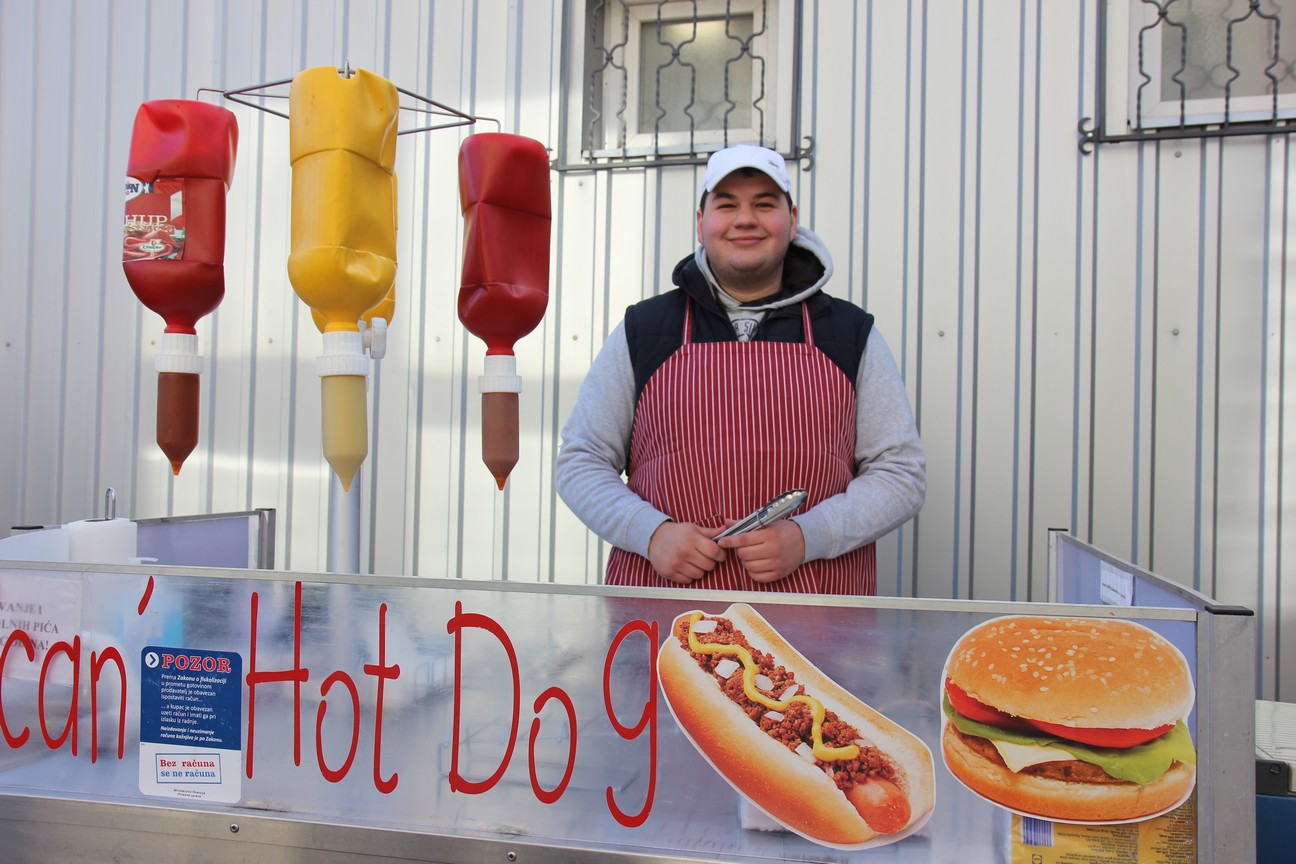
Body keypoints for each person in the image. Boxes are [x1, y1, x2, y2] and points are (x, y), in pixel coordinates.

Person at [555, 144, 924, 594]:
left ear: (792, 220)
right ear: (700, 222)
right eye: (726, 204)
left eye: (764, 205)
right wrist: (650, 532)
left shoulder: (849, 333)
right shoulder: (645, 329)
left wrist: (809, 536)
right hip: (668, 624)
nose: (745, 219)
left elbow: (900, 473)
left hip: (817, 624)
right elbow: (581, 461)